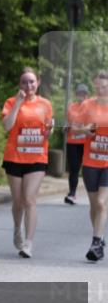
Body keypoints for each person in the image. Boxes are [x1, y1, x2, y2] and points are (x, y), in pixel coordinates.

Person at [0, 67, 54, 258]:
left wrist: (50, 131)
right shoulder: (11, 102)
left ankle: (28, 244)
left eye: (32, 81)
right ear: (20, 84)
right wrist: (18, 103)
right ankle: (17, 228)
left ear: (37, 83)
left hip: (37, 157)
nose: (28, 85)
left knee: (30, 199)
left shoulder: (46, 104)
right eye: (24, 82)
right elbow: (7, 126)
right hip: (14, 157)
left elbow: (48, 129)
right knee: (18, 201)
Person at [74, 71, 108, 262]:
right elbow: (74, 127)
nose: (101, 90)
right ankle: (100, 236)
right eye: (98, 87)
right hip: (90, 162)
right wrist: (85, 130)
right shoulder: (88, 105)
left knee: (102, 203)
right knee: (95, 204)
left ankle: (95, 242)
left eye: (104, 87)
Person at [65, 83, 91, 205]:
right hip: (73, 142)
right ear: (76, 94)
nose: (81, 96)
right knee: (74, 169)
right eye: (79, 93)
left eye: (84, 94)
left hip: (87, 143)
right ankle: (72, 193)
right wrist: (67, 127)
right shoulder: (71, 107)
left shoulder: (91, 107)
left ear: (87, 95)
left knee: (88, 170)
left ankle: (93, 194)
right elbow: (69, 123)